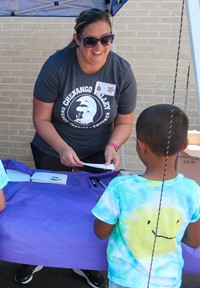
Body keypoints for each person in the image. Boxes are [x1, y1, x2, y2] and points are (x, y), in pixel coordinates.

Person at [14, 8, 137, 288]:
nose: (99, 48)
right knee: (49, 208)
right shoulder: (57, 65)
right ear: (77, 39)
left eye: (106, 39)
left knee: (88, 212)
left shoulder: (121, 70)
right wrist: (62, 148)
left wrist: (113, 146)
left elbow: (125, 122)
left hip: (97, 155)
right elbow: (41, 119)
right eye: (90, 41)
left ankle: (84, 264)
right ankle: (35, 255)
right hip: (53, 149)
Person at [92, 104, 200, 288]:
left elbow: (100, 232)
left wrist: (102, 205)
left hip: (124, 281)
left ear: (141, 145)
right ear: (184, 145)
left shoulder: (120, 187)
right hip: (169, 282)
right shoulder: (192, 190)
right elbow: (194, 240)